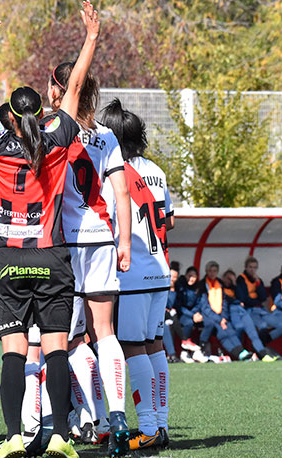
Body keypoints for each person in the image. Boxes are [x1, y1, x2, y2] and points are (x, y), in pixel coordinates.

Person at [0, 2, 100, 457]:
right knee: (56, 352)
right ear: (41, 112)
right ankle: (62, 438)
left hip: (7, 259)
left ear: (8, 116)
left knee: (12, 353)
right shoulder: (60, 135)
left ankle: (12, 438)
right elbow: (77, 86)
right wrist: (89, 37)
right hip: (51, 256)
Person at [47, 58, 132, 455]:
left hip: (65, 244)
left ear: (58, 91)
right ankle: (117, 416)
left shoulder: (52, 130)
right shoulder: (106, 137)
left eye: (51, 86)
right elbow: (122, 193)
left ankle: (79, 417)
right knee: (106, 333)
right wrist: (125, 242)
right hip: (102, 239)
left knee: (66, 337)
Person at [100, 99, 174, 450]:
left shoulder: (114, 172)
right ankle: (160, 424)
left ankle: (146, 427)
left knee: (132, 348)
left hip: (131, 275)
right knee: (154, 346)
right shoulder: (157, 170)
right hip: (159, 269)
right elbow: (169, 220)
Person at [197, 261, 252, 362]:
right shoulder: (202, 285)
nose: (212, 273)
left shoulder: (220, 283)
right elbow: (205, 307)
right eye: (210, 271)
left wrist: (223, 317)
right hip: (209, 317)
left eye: (214, 271)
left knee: (230, 330)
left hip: (220, 316)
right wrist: (219, 319)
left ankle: (242, 352)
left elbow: (224, 302)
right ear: (206, 271)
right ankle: (239, 353)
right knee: (222, 333)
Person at [222, 269, 278, 362]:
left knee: (253, 333)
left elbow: (242, 298)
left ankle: (263, 355)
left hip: (241, 311)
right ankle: (239, 356)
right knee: (238, 330)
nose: (229, 281)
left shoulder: (236, 288)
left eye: (231, 279)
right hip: (231, 314)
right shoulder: (219, 288)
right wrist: (237, 302)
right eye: (227, 278)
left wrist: (235, 284)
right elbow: (226, 300)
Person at [175, 266, 205, 363]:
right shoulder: (180, 286)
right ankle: (184, 351)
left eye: (194, 277)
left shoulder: (198, 287)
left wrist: (197, 314)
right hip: (182, 314)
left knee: (207, 323)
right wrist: (192, 315)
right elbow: (179, 305)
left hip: (194, 314)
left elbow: (199, 303)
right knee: (188, 323)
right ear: (186, 275)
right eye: (189, 276)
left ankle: (199, 351)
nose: (191, 279)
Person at [162, 262, 183, 363]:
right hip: (158, 315)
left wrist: (172, 289)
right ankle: (184, 341)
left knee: (171, 320)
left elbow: (170, 304)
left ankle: (173, 354)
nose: (173, 279)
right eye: (171, 276)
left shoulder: (175, 288)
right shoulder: (160, 285)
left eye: (175, 277)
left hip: (167, 316)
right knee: (167, 324)